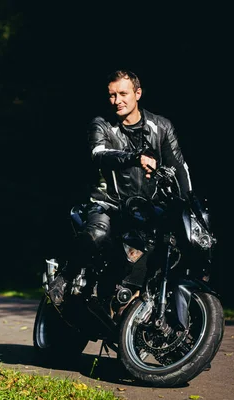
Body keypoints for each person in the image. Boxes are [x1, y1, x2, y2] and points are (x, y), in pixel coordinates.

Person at [47, 69, 193, 306]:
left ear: (138, 93)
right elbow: (99, 154)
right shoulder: (102, 124)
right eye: (112, 95)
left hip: (147, 209)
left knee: (172, 245)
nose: (117, 101)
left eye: (123, 94)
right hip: (107, 204)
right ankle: (66, 276)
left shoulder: (162, 127)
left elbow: (179, 167)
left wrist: (190, 207)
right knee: (97, 233)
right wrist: (136, 158)